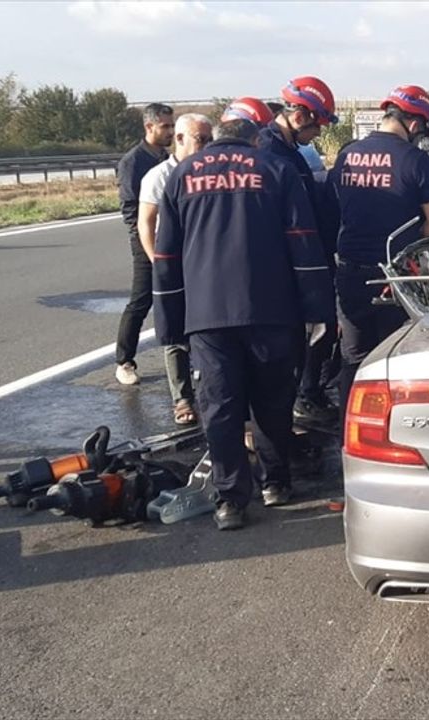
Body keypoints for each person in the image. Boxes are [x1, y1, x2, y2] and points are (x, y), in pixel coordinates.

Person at [151, 97, 335, 531]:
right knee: (272, 403)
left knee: (220, 408)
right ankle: (275, 483)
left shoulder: (182, 174)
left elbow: (166, 256)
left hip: (207, 316)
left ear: (220, 133)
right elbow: (304, 243)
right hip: (273, 310)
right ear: (256, 135)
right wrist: (317, 311)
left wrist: (169, 323)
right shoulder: (277, 170)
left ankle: (230, 500)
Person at [330, 84, 429, 422]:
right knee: (393, 359)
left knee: (353, 358)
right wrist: (409, 238)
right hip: (393, 276)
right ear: (415, 124)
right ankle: (388, 433)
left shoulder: (347, 154)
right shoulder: (414, 159)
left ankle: (347, 437)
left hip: (349, 271)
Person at [257, 76, 342, 425]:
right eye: (318, 125)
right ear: (301, 116)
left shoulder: (287, 151)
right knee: (308, 332)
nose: (319, 133)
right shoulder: (268, 153)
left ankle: (305, 395)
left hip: (310, 256)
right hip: (290, 264)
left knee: (321, 328)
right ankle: (298, 401)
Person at [136, 112, 213, 425]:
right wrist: (159, 262)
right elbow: (146, 222)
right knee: (174, 333)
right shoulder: (159, 176)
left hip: (204, 266)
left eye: (210, 140)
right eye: (200, 139)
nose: (206, 146)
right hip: (173, 265)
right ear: (180, 139)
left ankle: (209, 390)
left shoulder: (209, 172)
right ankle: (182, 397)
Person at [114, 102, 174, 385]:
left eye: (172, 126)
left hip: (172, 237)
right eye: (165, 127)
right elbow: (130, 210)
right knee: (141, 301)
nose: (170, 132)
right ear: (149, 127)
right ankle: (124, 361)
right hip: (145, 238)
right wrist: (147, 247)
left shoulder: (166, 157)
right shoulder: (133, 162)